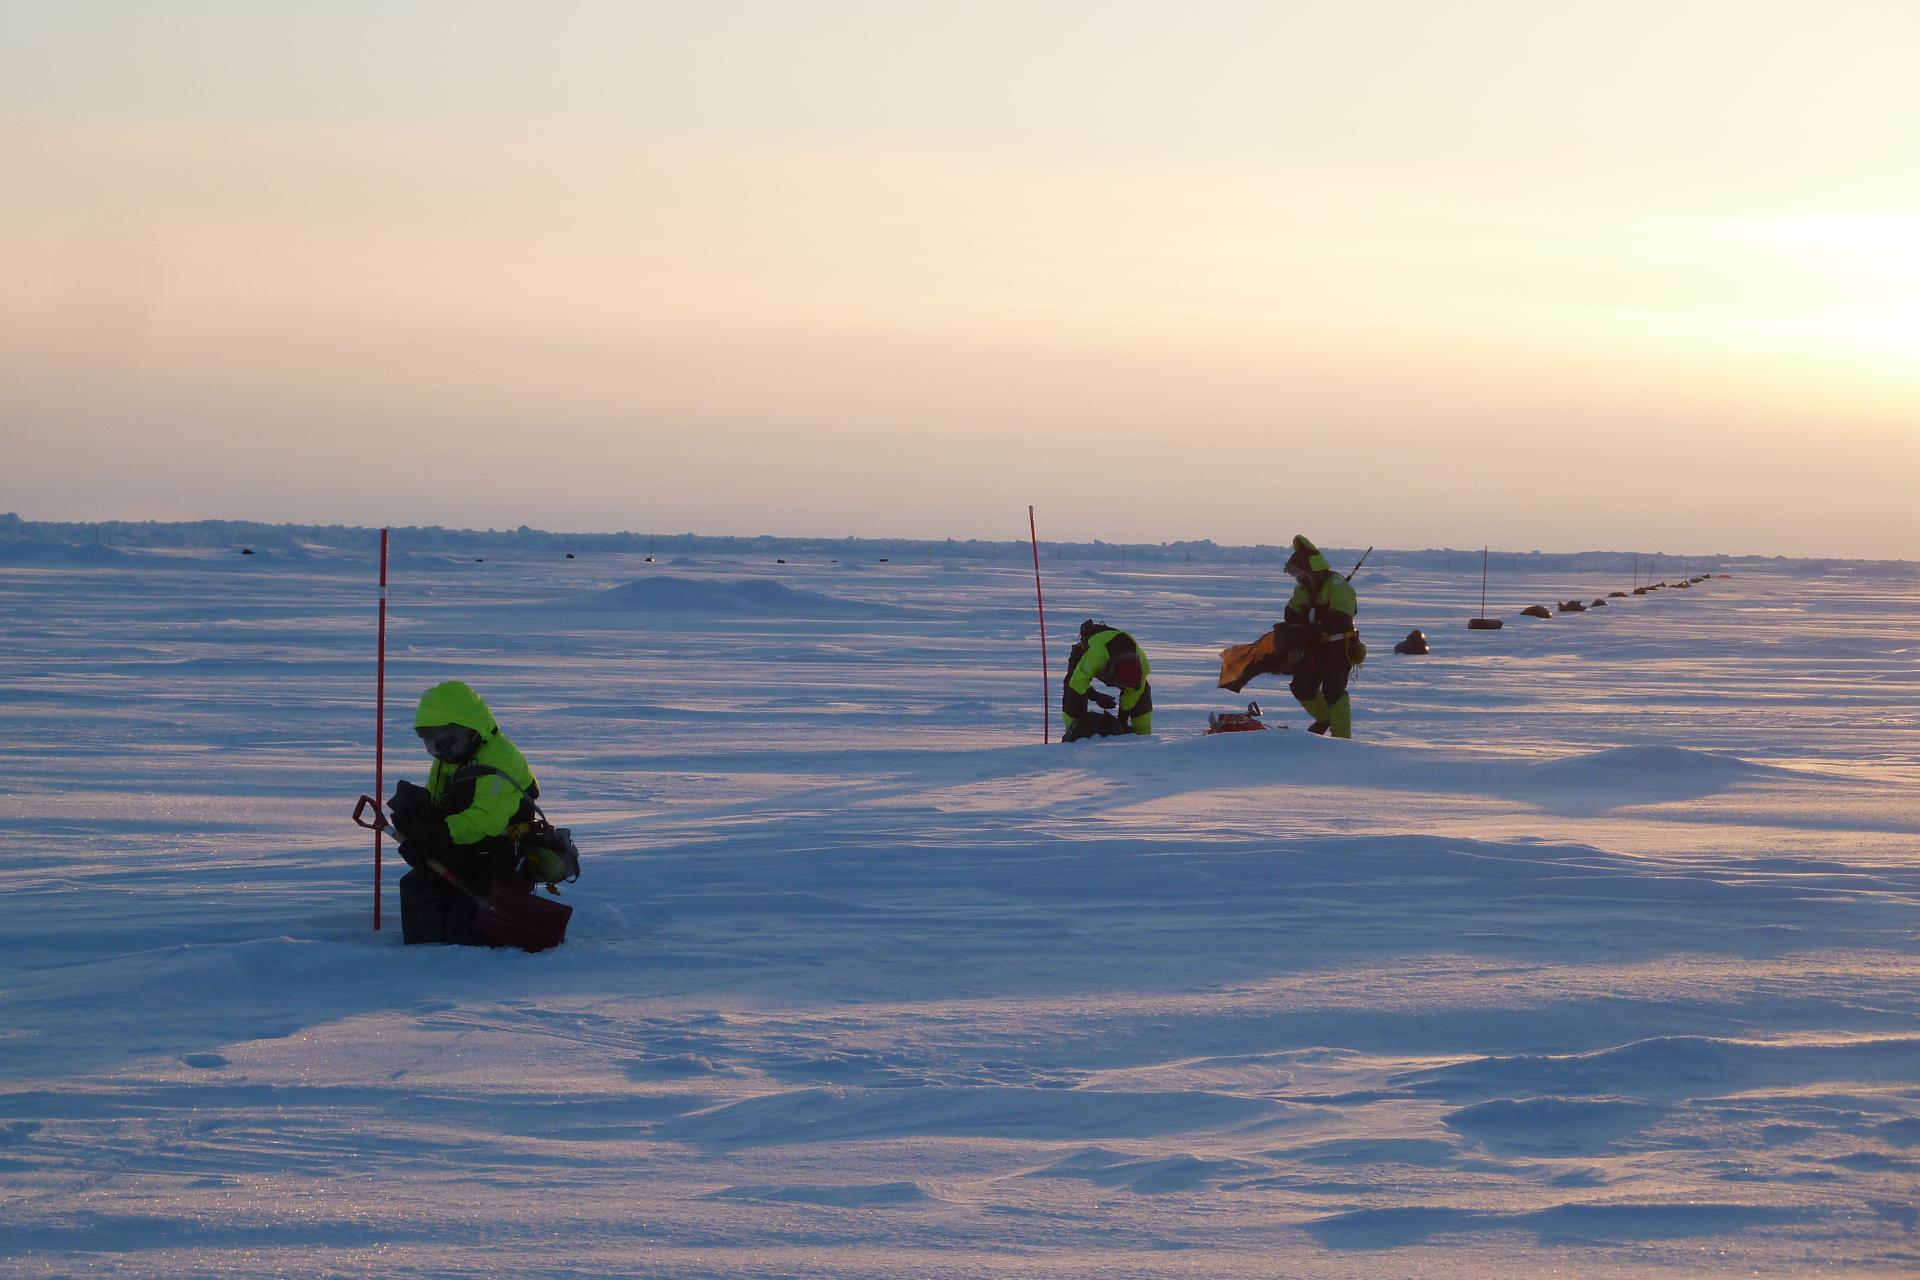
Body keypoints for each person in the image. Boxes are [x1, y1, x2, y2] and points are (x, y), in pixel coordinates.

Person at [387, 680, 566, 946]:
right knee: (419, 887)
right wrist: (418, 833)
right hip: (465, 849)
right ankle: (423, 961)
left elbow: (487, 819)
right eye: (431, 743)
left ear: (469, 730)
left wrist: (442, 834)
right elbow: (439, 809)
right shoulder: (446, 763)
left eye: (445, 741)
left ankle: (476, 968)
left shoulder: (499, 758)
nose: (439, 751)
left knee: (466, 924)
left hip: (502, 853)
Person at [1276, 534, 1360, 738]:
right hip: (1313, 648)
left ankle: (1341, 739)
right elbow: (1291, 613)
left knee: (1334, 694)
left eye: (1301, 574)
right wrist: (1293, 629)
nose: (1299, 579)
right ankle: (1324, 718)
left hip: (1339, 648)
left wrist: (1316, 627)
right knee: (1301, 687)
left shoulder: (1339, 587)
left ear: (1314, 570)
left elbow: (1341, 618)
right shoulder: (1302, 591)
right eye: (1297, 576)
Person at [1061, 619, 1153, 742]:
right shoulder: (1096, 656)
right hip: (1090, 647)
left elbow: (1132, 695)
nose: (1125, 687)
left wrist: (1122, 722)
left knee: (1142, 692)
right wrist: (1097, 697)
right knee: (1072, 687)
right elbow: (1077, 682)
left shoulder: (1143, 667)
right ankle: (1072, 731)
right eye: (1122, 684)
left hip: (1115, 652)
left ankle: (1143, 738)